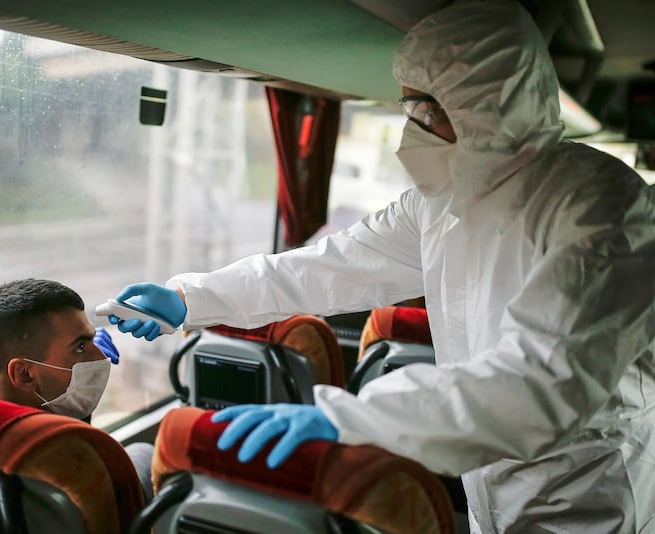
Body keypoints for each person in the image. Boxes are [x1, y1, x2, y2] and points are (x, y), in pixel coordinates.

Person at [107, 2, 655, 533]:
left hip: (592, 491)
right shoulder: (439, 203)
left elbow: (545, 380)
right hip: (489, 479)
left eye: (428, 109)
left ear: (491, 107)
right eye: (408, 107)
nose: (412, 126)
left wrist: (352, 419)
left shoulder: (600, 203)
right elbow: (324, 267)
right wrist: (191, 299)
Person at [0, 278, 154, 500]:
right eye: (80, 346)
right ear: (24, 373)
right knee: (147, 454)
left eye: (93, 340)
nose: (101, 356)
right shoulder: (86, 472)